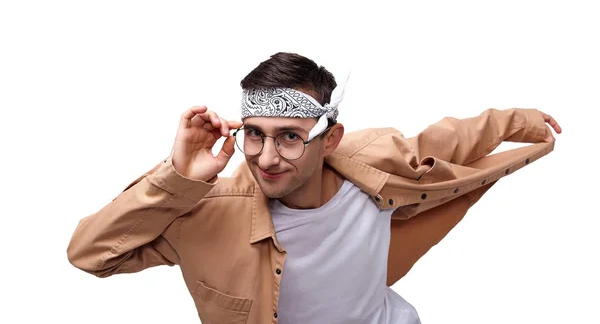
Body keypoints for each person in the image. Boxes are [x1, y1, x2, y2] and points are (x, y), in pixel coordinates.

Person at [67, 52, 562, 324]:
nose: (266, 157)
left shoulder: (372, 165)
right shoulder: (205, 211)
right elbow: (90, 254)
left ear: (331, 140)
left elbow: (451, 138)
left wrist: (521, 120)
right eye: (254, 134)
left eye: (289, 138)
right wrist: (178, 177)